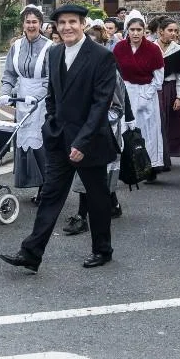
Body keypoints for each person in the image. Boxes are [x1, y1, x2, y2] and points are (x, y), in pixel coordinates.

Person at [0, 4, 119, 271]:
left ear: (83, 24)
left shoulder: (101, 56)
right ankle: (31, 253)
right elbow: (52, 94)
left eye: (72, 22)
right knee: (50, 196)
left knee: (98, 198)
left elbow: (101, 104)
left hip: (90, 142)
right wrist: (51, 124)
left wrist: (82, 142)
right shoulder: (54, 53)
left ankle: (103, 250)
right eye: (62, 23)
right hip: (59, 139)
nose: (67, 27)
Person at [62, 69, 127, 235]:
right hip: (82, 128)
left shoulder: (109, 72)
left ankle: (82, 217)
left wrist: (96, 122)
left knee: (90, 173)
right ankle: (113, 205)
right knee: (97, 175)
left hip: (102, 131)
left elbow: (118, 108)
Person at [0, 6, 51, 203]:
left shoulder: (50, 47)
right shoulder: (16, 46)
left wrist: (37, 97)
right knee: (23, 141)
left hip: (42, 101)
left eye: (34, 22)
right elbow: (9, 74)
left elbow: (51, 79)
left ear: (40, 24)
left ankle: (46, 187)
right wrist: (5, 93)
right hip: (22, 99)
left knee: (41, 144)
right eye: (28, 22)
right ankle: (32, 181)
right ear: (23, 24)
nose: (31, 25)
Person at [113, 10, 165, 175]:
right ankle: (128, 166)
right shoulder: (119, 48)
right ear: (127, 30)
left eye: (139, 30)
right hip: (126, 92)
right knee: (125, 129)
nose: (135, 33)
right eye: (132, 29)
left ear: (144, 31)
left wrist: (145, 96)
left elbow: (158, 78)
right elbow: (115, 74)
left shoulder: (153, 49)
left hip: (146, 91)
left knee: (147, 130)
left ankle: (148, 165)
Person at [157, 17, 180, 170]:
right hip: (153, 90)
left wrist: (179, 97)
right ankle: (155, 156)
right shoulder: (151, 47)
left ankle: (166, 156)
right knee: (155, 123)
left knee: (169, 123)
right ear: (161, 31)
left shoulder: (178, 49)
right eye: (170, 30)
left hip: (170, 89)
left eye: (176, 30)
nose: (173, 33)